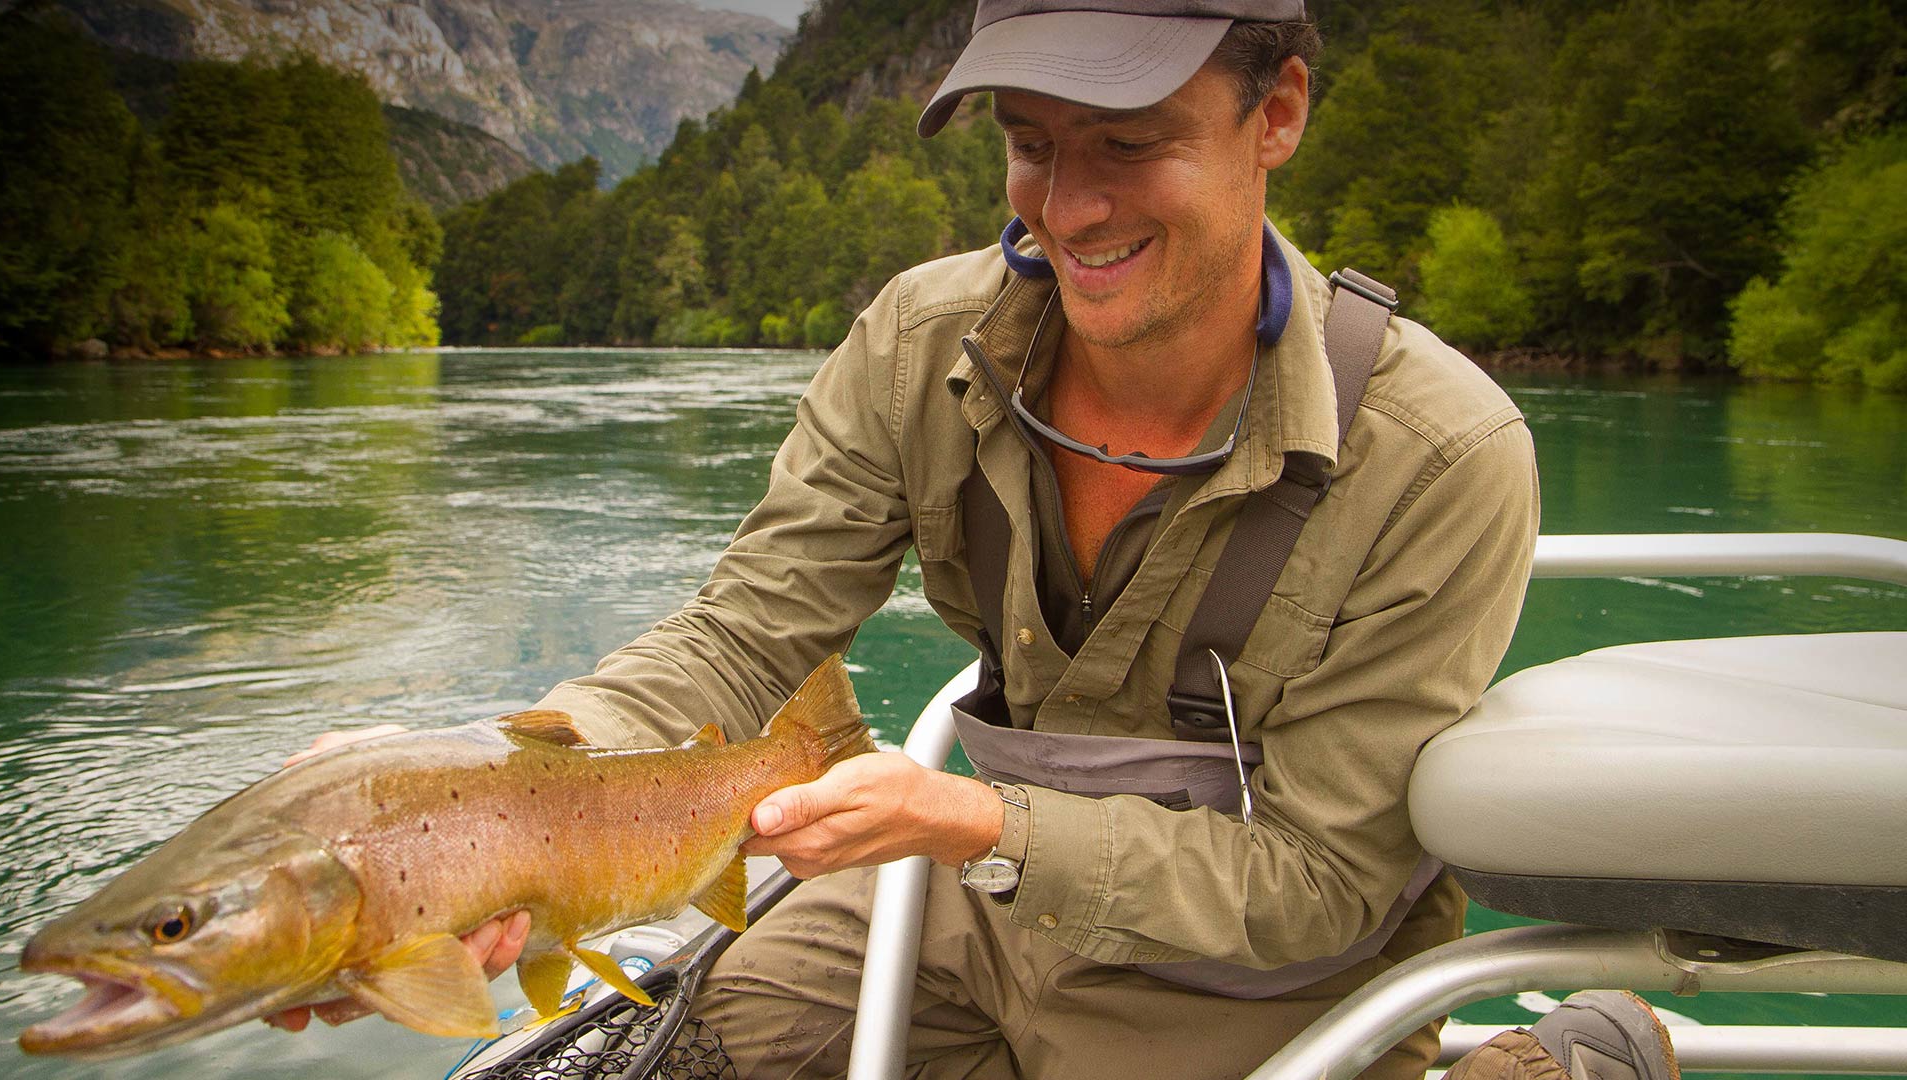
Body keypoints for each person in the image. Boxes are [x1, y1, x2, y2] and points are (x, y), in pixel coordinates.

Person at [276, 3, 1680, 1079]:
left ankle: (1570, 1054)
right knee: (692, 1054)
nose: (1066, 207)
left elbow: (1319, 888)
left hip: (1251, 970)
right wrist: (485, 802)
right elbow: (738, 637)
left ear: (1279, 112)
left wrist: (981, 819)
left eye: (1128, 142)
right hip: (961, 905)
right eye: (1031, 141)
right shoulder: (916, 336)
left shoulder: (1445, 455)